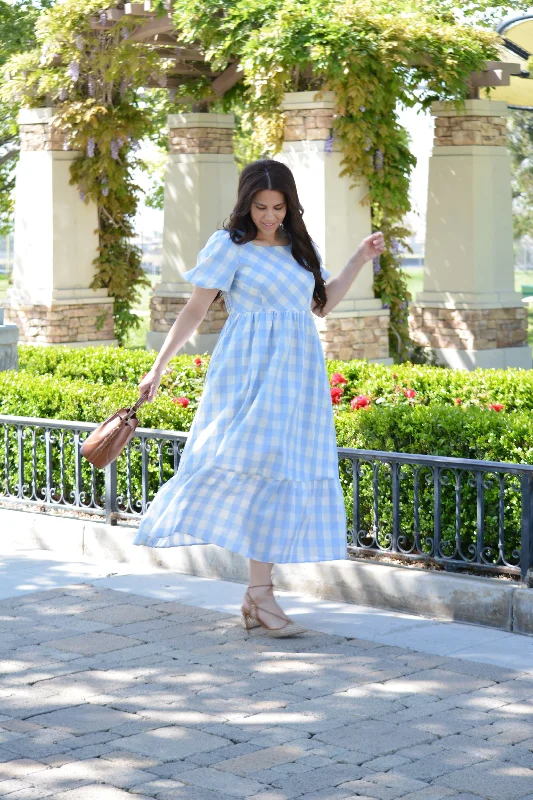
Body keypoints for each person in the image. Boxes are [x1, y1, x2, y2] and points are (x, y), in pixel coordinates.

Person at [134, 158, 386, 637]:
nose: (269, 215)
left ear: (289, 205)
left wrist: (358, 257)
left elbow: (321, 305)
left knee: (278, 473)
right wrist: (158, 365)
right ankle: (260, 594)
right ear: (246, 203)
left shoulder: (299, 248)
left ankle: (258, 593)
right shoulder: (230, 247)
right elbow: (195, 308)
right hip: (248, 370)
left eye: (277, 206)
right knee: (248, 464)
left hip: (299, 374)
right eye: (260, 206)